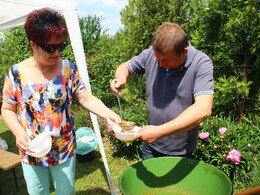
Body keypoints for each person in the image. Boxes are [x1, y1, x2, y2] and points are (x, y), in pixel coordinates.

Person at [1, 8, 121, 195]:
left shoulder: (67, 70)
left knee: (66, 192)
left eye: (60, 46)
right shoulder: (16, 74)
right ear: (33, 44)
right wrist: (17, 133)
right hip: (32, 149)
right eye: (50, 48)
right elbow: (7, 109)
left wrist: (108, 113)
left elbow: (85, 97)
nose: (56, 52)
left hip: (63, 148)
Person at [110, 23, 214, 160]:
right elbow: (125, 67)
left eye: (166, 60)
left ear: (184, 51)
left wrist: (159, 131)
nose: (159, 64)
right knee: (149, 181)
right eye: (157, 58)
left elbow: (203, 109)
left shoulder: (201, 63)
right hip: (150, 145)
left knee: (175, 182)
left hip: (181, 149)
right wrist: (121, 78)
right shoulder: (151, 54)